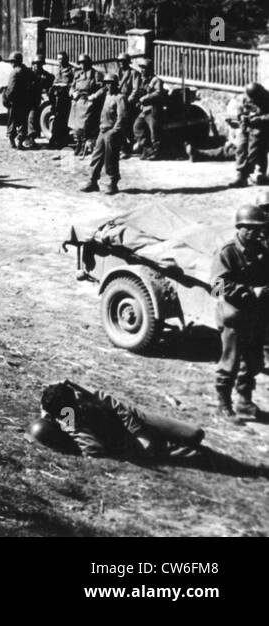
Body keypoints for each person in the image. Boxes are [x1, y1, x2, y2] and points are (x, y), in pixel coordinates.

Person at [29, 380, 205, 460]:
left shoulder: (74, 392)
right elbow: (93, 449)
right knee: (197, 454)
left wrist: (139, 432)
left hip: (136, 419)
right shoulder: (69, 417)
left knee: (195, 433)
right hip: (123, 438)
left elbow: (117, 406)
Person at [210, 204, 269, 419]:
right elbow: (216, 287)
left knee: (253, 361)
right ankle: (223, 403)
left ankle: (245, 401)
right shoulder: (228, 252)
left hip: (256, 315)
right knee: (230, 362)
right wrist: (249, 291)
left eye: (259, 228)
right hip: (234, 315)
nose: (256, 233)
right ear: (240, 228)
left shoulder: (261, 250)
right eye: (251, 229)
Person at [82, 74, 125, 194]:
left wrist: (114, 131)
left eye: (111, 83)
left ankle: (113, 182)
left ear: (116, 84)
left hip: (112, 132)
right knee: (96, 156)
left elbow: (122, 118)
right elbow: (97, 94)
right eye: (107, 83)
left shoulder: (119, 98)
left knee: (111, 158)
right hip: (103, 130)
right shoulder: (106, 96)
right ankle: (92, 181)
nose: (109, 85)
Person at [231, 83, 269, 188]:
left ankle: (248, 174)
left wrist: (259, 119)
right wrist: (241, 116)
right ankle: (241, 175)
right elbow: (239, 108)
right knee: (241, 147)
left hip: (262, 127)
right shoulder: (244, 97)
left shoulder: (267, 97)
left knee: (254, 149)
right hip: (246, 126)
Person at [68, 54, 103, 156]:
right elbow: (71, 87)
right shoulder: (78, 74)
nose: (82, 65)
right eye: (81, 63)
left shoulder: (95, 74)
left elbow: (103, 88)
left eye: (84, 63)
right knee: (76, 127)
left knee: (84, 126)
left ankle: (84, 145)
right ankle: (78, 144)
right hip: (77, 102)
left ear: (88, 63)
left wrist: (94, 96)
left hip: (88, 102)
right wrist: (72, 93)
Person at [131, 61, 166, 159]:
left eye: (144, 68)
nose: (142, 70)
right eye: (141, 68)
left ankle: (155, 153)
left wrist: (145, 98)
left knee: (154, 132)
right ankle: (147, 149)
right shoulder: (143, 81)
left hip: (153, 109)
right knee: (137, 128)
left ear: (150, 69)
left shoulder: (156, 80)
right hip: (144, 110)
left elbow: (159, 93)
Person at [2, 51, 37, 150]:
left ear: (15, 61)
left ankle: (12, 142)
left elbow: (11, 89)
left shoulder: (14, 72)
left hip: (15, 102)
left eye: (12, 61)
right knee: (23, 122)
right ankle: (20, 143)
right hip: (25, 101)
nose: (11, 64)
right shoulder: (28, 71)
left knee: (12, 122)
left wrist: (6, 98)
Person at [48, 51, 74, 149]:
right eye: (58, 59)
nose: (60, 61)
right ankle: (55, 140)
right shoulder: (57, 70)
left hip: (65, 97)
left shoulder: (71, 70)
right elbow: (54, 81)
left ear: (66, 59)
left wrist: (66, 86)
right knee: (56, 118)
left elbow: (74, 83)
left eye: (62, 59)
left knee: (63, 119)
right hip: (56, 98)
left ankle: (60, 141)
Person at [28, 54, 52, 142]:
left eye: (40, 64)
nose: (37, 66)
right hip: (28, 98)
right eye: (36, 64)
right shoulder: (29, 74)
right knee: (31, 116)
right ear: (33, 64)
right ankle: (30, 138)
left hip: (37, 98)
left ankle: (36, 133)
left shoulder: (44, 75)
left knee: (36, 115)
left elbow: (50, 81)